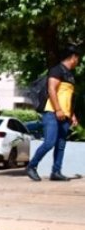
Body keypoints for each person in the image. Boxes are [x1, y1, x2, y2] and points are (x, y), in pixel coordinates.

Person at [26, 45, 80, 181]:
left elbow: (68, 97)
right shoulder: (57, 70)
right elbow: (51, 90)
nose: (78, 61)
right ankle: (31, 166)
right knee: (49, 142)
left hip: (65, 115)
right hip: (52, 112)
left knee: (61, 144)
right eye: (77, 58)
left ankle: (56, 172)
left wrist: (72, 114)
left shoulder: (70, 75)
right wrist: (58, 110)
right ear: (73, 57)